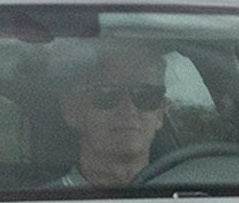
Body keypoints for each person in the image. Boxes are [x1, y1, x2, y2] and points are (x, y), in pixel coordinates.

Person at [53, 42, 170, 187]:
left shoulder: (191, 201)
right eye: (107, 94)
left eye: (145, 96)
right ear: (72, 110)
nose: (129, 110)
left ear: (160, 112)